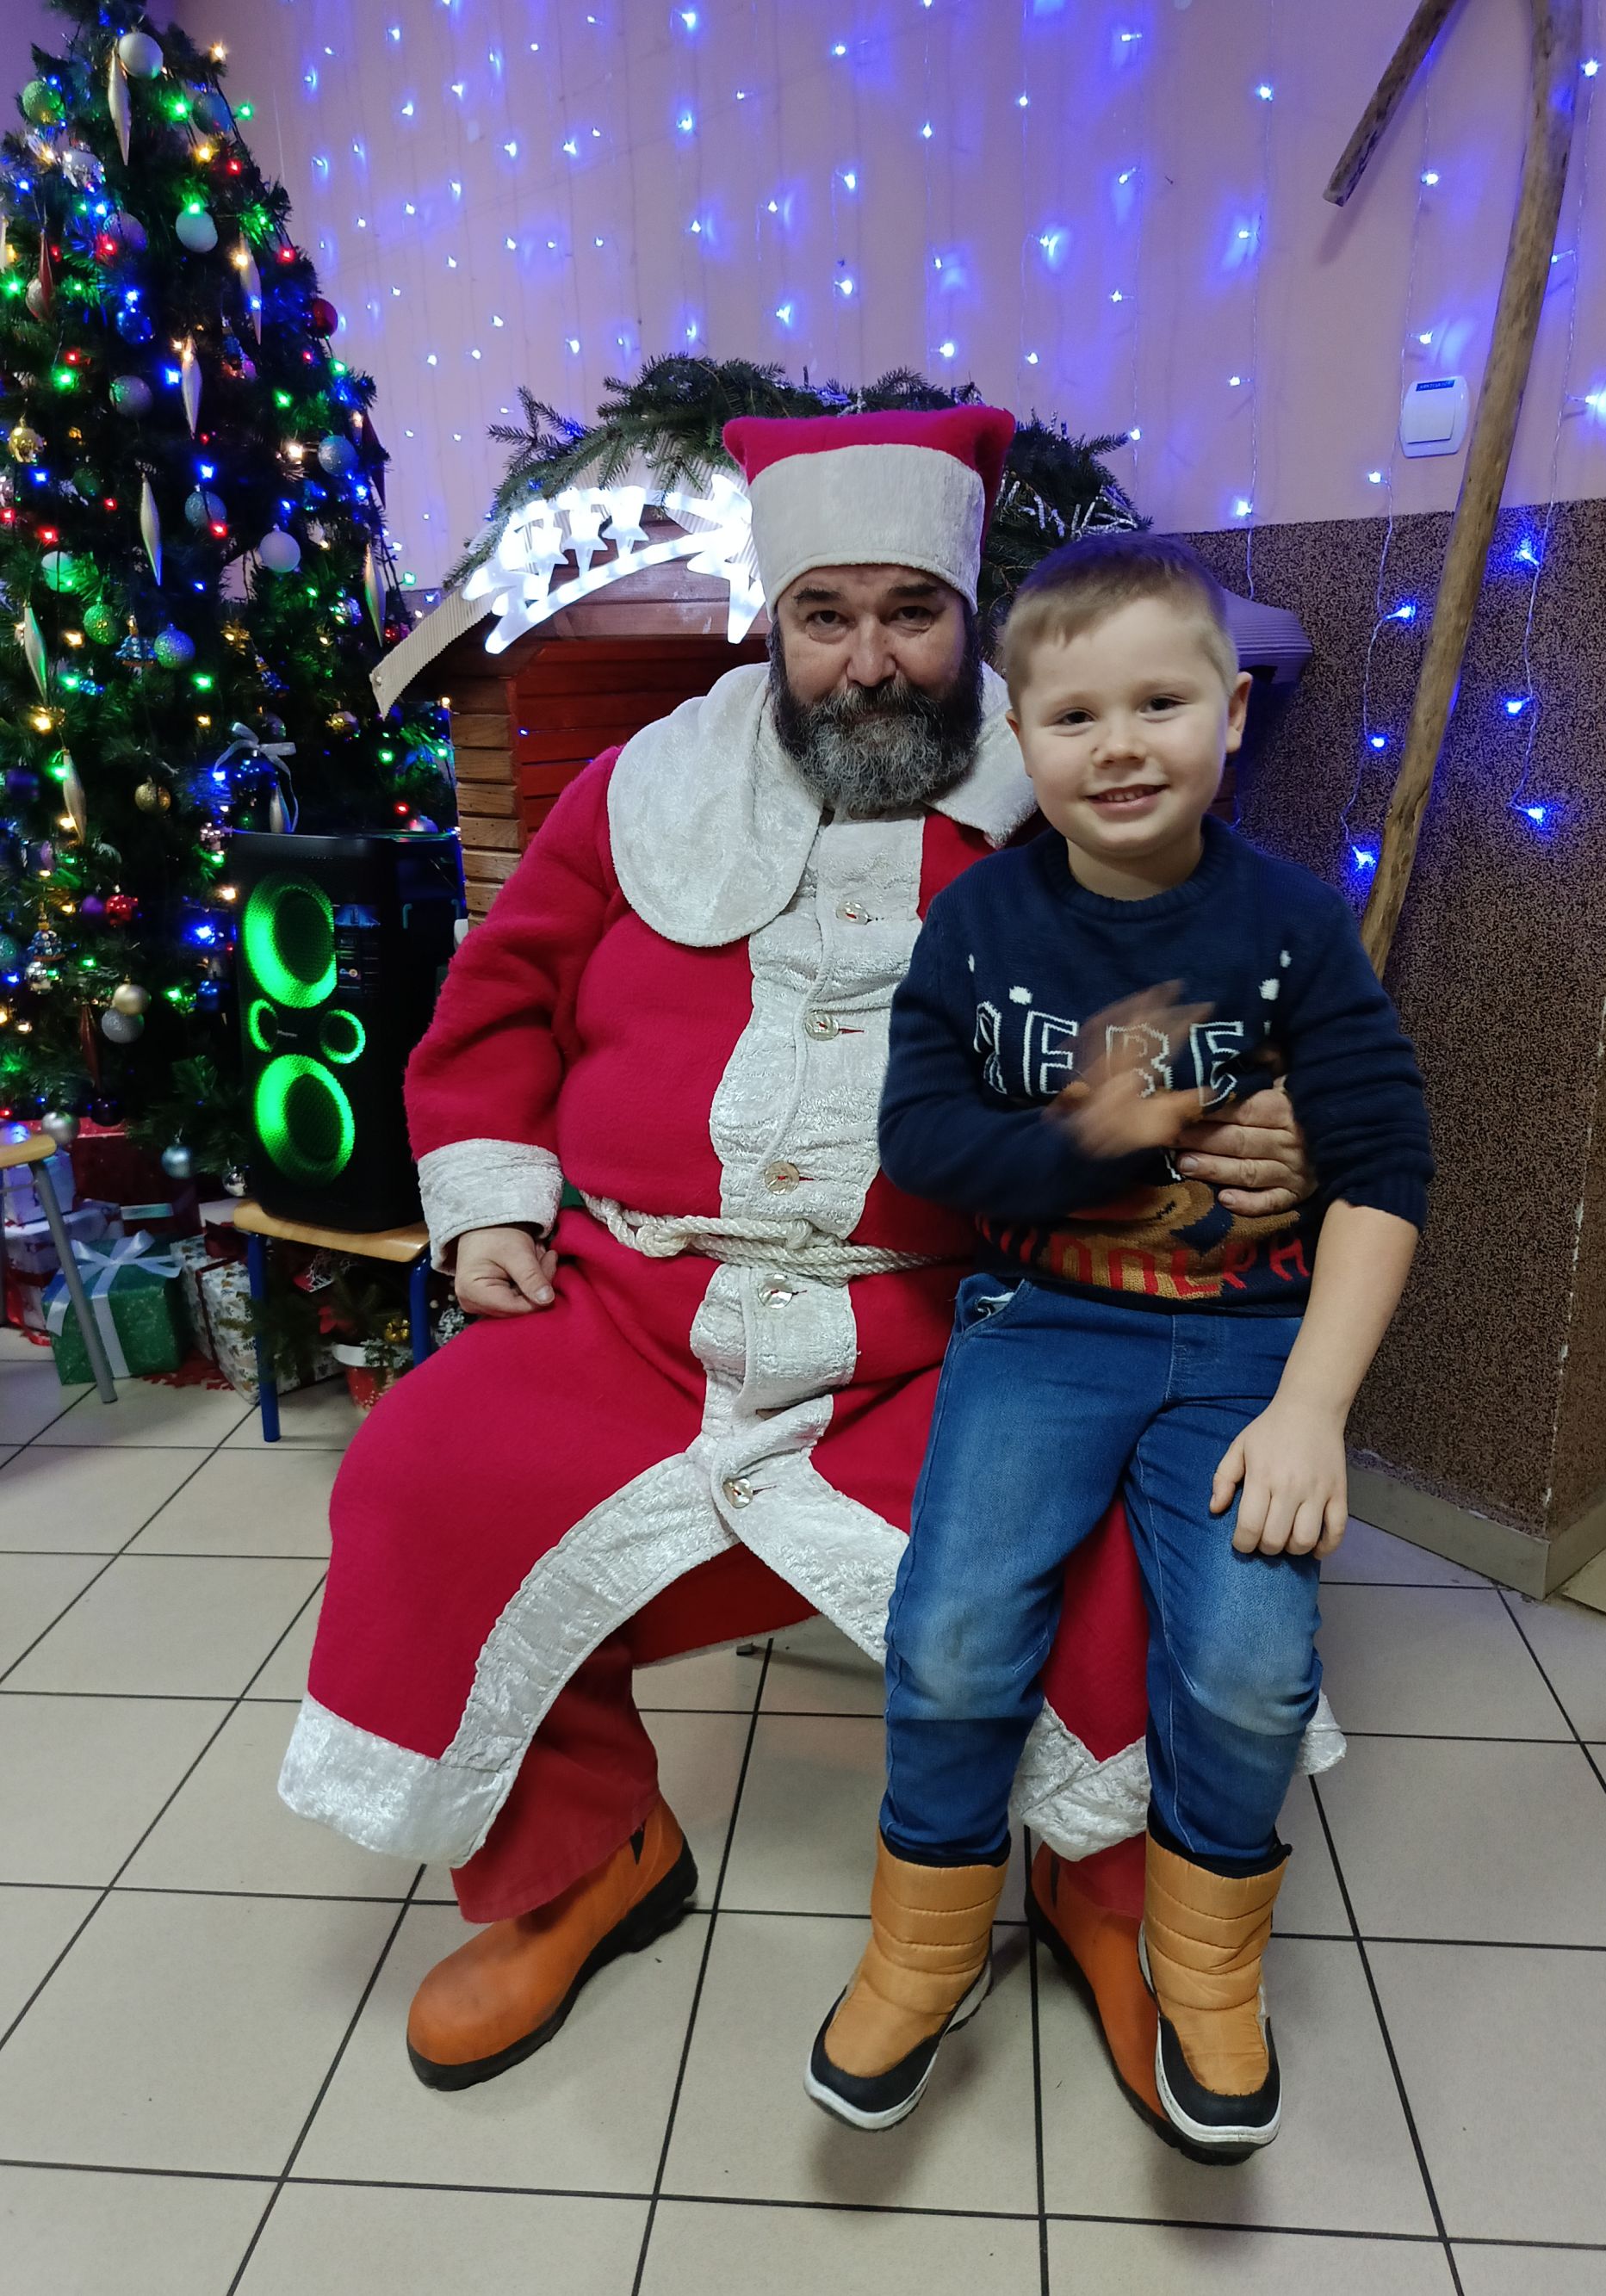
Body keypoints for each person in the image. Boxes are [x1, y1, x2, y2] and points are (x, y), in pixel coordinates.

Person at [278, 409, 1330, 2108]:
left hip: (954, 1327)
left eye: (909, 613)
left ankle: (1098, 1879)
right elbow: (496, 1004)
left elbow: (1204, 1010)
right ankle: (586, 1858)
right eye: (823, 616)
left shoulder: (1068, 788)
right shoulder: (641, 788)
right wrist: (489, 1202)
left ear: (969, 617)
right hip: (636, 1304)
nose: (867, 661)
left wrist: (1249, 1128)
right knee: (422, 1474)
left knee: (1115, 1531)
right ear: (770, 617)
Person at [805, 531, 1433, 2160]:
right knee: (953, 1637)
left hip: (1250, 1347)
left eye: (1162, 703)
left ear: (1233, 713)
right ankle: (926, 1946)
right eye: (1076, 716)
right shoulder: (977, 926)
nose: (1123, 746)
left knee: (1251, 1668)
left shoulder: (1292, 927)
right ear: (1020, 736)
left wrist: (1314, 1411)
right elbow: (921, 1142)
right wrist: (1101, 1129)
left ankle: (1205, 1962)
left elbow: (1387, 1168)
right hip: (1042, 1326)